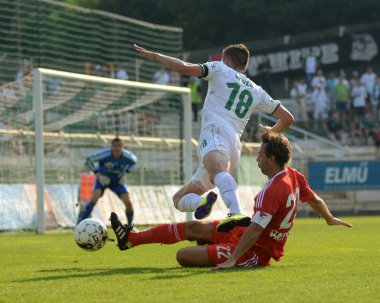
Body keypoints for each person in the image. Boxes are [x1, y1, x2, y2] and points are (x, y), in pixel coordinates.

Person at [110, 131, 352, 269]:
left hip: (255, 252)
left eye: (259, 154)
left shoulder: (274, 190)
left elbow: (257, 230)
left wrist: (233, 257)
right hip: (246, 231)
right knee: (195, 227)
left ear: (271, 157)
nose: (256, 158)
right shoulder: (293, 175)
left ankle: (213, 250)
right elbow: (315, 199)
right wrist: (329, 218)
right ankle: (132, 239)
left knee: (183, 256)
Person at [134, 43, 295, 231]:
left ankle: (236, 212)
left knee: (218, 172)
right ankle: (202, 202)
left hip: (216, 132)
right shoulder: (257, 90)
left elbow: (183, 68)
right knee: (179, 199)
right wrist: (270, 133)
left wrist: (156, 56)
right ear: (245, 66)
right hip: (234, 146)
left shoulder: (219, 68)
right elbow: (288, 118)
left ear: (226, 60)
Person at [78, 137, 138, 226]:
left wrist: (125, 173)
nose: (117, 148)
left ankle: (130, 226)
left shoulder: (128, 156)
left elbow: (134, 162)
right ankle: (80, 224)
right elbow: (89, 160)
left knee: (128, 203)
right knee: (94, 199)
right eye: (115, 146)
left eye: (119, 146)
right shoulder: (104, 155)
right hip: (103, 179)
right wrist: (97, 174)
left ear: (123, 147)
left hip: (117, 180)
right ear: (111, 147)